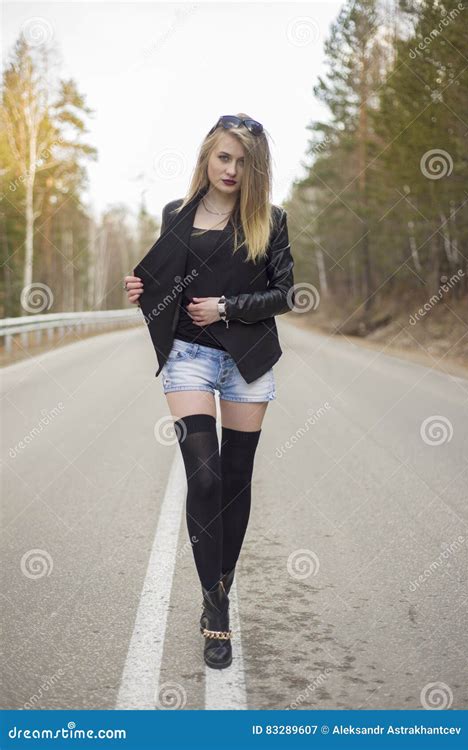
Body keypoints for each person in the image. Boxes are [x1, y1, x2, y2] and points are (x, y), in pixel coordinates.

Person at [124, 113, 295, 670]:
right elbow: (162, 279)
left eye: (244, 162)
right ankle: (215, 609)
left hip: (247, 361)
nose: (232, 169)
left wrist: (225, 307)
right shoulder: (178, 214)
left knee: (236, 481)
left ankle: (219, 585)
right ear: (207, 156)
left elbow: (284, 294)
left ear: (256, 168)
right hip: (189, 357)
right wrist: (139, 288)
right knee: (204, 474)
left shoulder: (270, 220)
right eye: (224, 157)